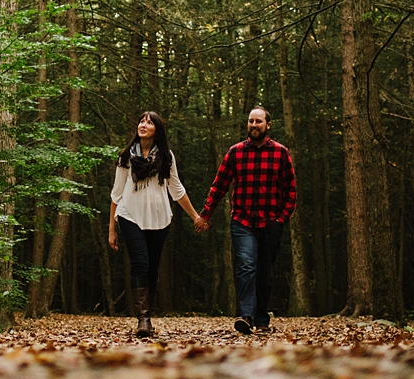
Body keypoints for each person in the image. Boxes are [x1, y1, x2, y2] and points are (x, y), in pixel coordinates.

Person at [197, 106, 297, 334]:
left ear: (268, 125)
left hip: (271, 221)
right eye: (251, 121)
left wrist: (281, 219)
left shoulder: (281, 153)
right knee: (245, 266)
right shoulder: (235, 152)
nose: (254, 125)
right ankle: (246, 316)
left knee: (265, 271)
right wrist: (206, 213)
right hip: (242, 221)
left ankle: (262, 319)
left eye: (258, 121)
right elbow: (219, 185)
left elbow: (291, 191)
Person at [109, 110, 206, 337]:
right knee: (140, 263)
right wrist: (111, 228)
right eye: (141, 121)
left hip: (159, 218)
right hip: (129, 215)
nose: (143, 124)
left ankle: (148, 315)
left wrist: (195, 217)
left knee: (152, 268)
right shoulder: (126, 157)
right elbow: (116, 193)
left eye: (149, 122)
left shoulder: (166, 157)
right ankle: (143, 319)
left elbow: (177, 189)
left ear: (157, 130)